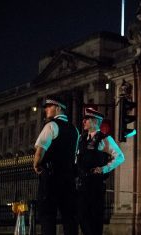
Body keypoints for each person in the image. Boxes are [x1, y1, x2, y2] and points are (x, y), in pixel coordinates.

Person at [33, 96, 79, 235]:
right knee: (69, 216)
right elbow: (75, 155)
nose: (46, 109)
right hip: (68, 178)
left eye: (49, 106)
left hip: (51, 178)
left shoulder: (51, 125)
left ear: (58, 108)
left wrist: (36, 164)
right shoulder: (74, 130)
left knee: (47, 215)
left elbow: (40, 150)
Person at [76, 107, 125, 235]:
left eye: (87, 119)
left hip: (95, 185)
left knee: (95, 220)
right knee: (81, 217)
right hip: (82, 184)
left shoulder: (104, 139)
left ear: (95, 121)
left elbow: (120, 157)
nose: (84, 121)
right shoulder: (81, 139)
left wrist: (103, 169)